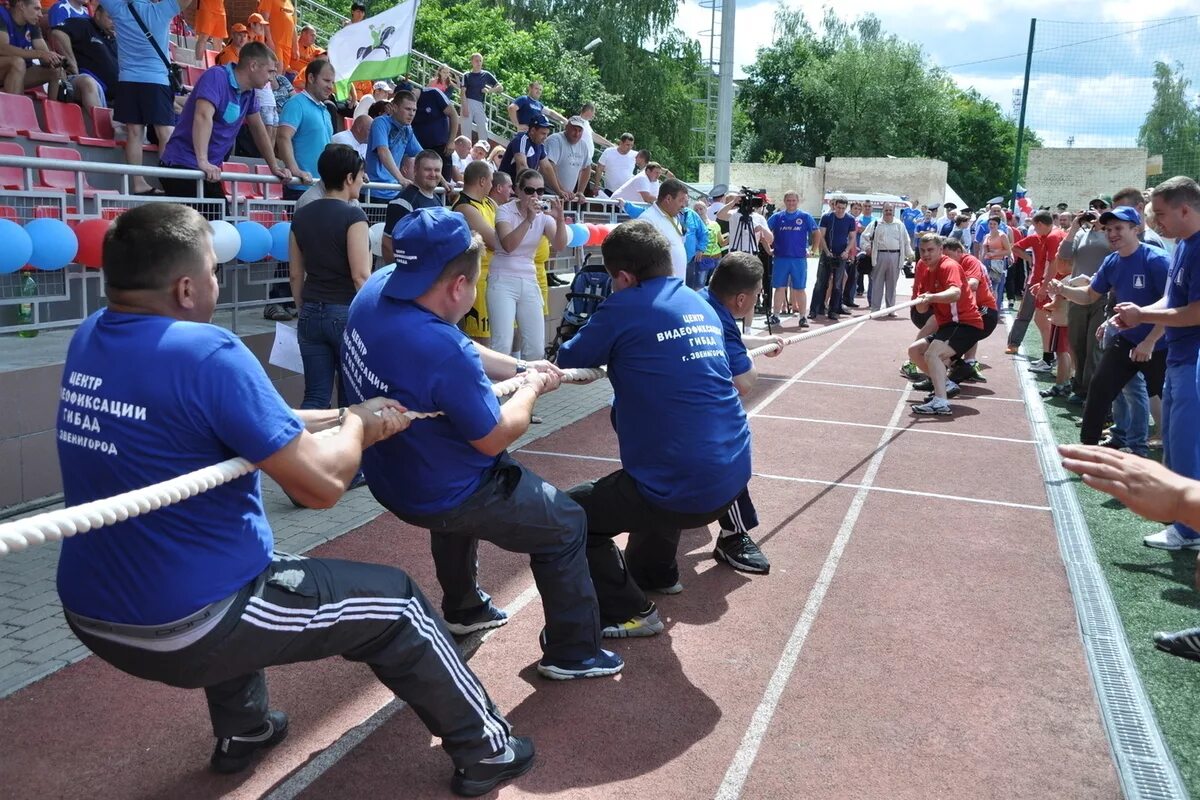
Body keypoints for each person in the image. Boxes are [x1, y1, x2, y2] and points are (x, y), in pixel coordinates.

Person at [55, 202, 533, 797]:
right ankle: (489, 749)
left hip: (89, 612)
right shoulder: (209, 352)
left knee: (255, 569)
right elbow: (321, 488)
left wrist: (344, 414)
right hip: (185, 623)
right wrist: (357, 428)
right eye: (211, 272)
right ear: (184, 288)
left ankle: (246, 730)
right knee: (400, 605)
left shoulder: (88, 338)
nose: (215, 282)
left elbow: (263, 419)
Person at [342, 207, 623, 680]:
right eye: (473, 287)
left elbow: (460, 348)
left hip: (394, 476)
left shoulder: (381, 286)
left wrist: (520, 369)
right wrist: (532, 389)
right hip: (444, 488)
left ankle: (465, 607)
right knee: (566, 522)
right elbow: (493, 437)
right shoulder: (438, 346)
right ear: (458, 287)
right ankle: (573, 652)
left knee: (451, 498)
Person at [555, 221, 752, 635]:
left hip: (683, 486)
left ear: (624, 277)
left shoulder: (625, 305)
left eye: (615, 280)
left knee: (567, 516)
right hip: (732, 477)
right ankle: (657, 574)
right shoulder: (699, 302)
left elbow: (569, 358)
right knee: (653, 475)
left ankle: (632, 612)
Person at [1111, 177, 1200, 550]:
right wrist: (1140, 314)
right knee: (1177, 444)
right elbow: (1170, 298)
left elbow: (1196, 310)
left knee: (1185, 444)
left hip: (1191, 359)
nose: (1156, 223)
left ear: (1185, 209)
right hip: (1180, 357)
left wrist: (1143, 316)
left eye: (1161, 214)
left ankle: (1189, 528)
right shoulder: (1183, 245)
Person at [1050, 206, 1168, 455]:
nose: (1112, 233)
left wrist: (1149, 341)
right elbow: (1090, 294)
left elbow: (1172, 303)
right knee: (1100, 386)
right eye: (1109, 229)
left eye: (1119, 228)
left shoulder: (1157, 260)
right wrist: (1063, 290)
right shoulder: (1112, 260)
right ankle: (1089, 448)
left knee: (1166, 400)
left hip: (1160, 342)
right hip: (1127, 338)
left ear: (1135, 229)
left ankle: (1162, 453)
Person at [701, 251, 786, 573]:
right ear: (740, 299)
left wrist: (756, 342)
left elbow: (728, 338)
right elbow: (745, 382)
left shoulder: (699, 300)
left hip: (639, 409)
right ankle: (734, 534)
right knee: (730, 446)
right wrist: (748, 358)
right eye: (757, 294)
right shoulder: (720, 318)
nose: (757, 299)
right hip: (683, 417)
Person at [287, 144, 370, 416]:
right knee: (351, 397)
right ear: (348, 178)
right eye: (359, 175)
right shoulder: (354, 215)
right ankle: (350, 457)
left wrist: (304, 309)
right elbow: (360, 275)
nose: (362, 180)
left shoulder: (300, 215)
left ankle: (299, 454)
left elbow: (296, 273)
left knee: (315, 397)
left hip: (311, 312)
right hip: (346, 313)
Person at [158, 43, 290, 200]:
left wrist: (274, 166)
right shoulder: (216, 76)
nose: (271, 78)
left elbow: (258, 128)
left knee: (222, 221)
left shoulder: (250, 92)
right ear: (253, 65)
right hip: (182, 166)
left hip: (207, 171)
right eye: (270, 71)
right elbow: (202, 116)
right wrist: (203, 161)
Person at [102, 0, 193, 195]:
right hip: (156, 81)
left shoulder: (118, 8)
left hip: (127, 81)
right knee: (165, 133)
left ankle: (138, 184)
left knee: (135, 133)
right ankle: (170, 183)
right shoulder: (162, 9)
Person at [490, 168, 568, 360]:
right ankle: (496, 389)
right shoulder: (504, 211)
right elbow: (509, 245)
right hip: (502, 278)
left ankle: (527, 387)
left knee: (535, 348)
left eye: (540, 191)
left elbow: (559, 244)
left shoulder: (542, 215)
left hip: (529, 279)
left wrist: (559, 220)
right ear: (518, 190)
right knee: (502, 344)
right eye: (529, 190)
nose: (535, 196)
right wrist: (528, 219)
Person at [907, 234, 985, 416]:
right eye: (922, 250)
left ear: (941, 250)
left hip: (965, 323)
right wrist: (922, 300)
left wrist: (932, 297)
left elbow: (955, 293)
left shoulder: (948, 266)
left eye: (930, 250)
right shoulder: (926, 271)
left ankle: (941, 402)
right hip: (948, 325)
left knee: (932, 354)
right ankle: (946, 384)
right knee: (914, 351)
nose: (926, 254)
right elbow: (920, 309)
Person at [1005, 210, 1066, 364]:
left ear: (1039, 224)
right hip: (1049, 282)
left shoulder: (1053, 237)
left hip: (1048, 284)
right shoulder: (1053, 235)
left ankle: (1049, 357)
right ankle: (1051, 356)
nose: (1034, 230)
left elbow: (1053, 263)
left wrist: (1044, 286)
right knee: (1044, 319)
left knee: (1043, 319)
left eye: (1035, 226)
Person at [453, 161, 500, 345]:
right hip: (476, 279)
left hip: (494, 276)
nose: (492, 185)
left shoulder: (489, 202)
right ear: (482, 181)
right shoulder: (465, 207)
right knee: (481, 340)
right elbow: (497, 241)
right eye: (490, 180)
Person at [275, 58, 334, 201]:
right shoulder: (296, 103)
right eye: (326, 81)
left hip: (322, 187)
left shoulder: (325, 110)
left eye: (332, 82)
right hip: (300, 188)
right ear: (311, 78)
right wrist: (295, 170)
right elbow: (283, 137)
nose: (330, 87)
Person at [380, 149, 444, 263]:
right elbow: (387, 244)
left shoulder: (437, 200)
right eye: (427, 169)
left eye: (437, 170)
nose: (433, 174)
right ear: (415, 170)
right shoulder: (402, 202)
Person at [621, 177, 690, 281]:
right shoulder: (648, 220)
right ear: (668, 199)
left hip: (675, 285)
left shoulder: (674, 217)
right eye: (681, 200)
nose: (683, 205)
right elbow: (642, 260)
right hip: (660, 288)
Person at [50, 4, 117, 110]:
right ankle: (99, 125)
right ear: (98, 15)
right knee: (88, 82)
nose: (115, 22)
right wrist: (72, 62)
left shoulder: (117, 40)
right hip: (84, 84)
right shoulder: (84, 24)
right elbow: (58, 33)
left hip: (117, 98)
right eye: (110, 18)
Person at [766, 190, 817, 327]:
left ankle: (802, 317)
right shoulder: (777, 217)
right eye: (788, 200)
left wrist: (813, 250)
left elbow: (816, 232)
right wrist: (767, 248)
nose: (791, 203)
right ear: (784, 201)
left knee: (799, 288)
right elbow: (764, 231)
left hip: (798, 259)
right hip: (781, 258)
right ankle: (775, 315)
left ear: (797, 201)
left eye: (793, 200)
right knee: (779, 288)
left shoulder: (805, 217)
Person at [364, 91, 420, 201]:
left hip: (394, 192)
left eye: (414, 110)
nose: (412, 114)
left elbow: (423, 156)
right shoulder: (380, 122)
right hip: (374, 191)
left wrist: (443, 181)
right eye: (408, 109)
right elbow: (383, 151)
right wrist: (401, 179)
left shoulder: (407, 129)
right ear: (394, 107)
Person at [861, 201, 913, 314]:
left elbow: (906, 241)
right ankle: (875, 309)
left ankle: (891, 309)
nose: (888, 212)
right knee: (877, 283)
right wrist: (867, 248)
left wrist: (910, 256)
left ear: (893, 211)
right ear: (882, 210)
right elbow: (864, 237)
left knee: (892, 284)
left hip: (895, 256)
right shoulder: (875, 223)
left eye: (890, 210)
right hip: (879, 255)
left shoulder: (899, 224)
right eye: (886, 210)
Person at [811, 196, 857, 320]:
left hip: (841, 255)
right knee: (821, 282)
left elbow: (852, 237)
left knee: (837, 284)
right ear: (834, 206)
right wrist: (826, 251)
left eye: (843, 208)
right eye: (838, 207)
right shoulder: (827, 217)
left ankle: (834, 310)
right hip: (827, 254)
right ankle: (815, 309)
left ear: (846, 208)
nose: (840, 210)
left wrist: (847, 251)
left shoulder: (850, 220)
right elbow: (821, 235)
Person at [413, 82, 460, 183]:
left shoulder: (433, 93)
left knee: (444, 184)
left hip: (442, 148)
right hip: (420, 151)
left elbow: (453, 115)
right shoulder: (405, 107)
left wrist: (451, 141)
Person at [540, 116, 591, 202]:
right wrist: (560, 190)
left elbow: (587, 168)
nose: (577, 133)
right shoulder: (555, 140)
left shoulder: (583, 145)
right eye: (574, 129)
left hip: (567, 196)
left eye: (580, 131)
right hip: (548, 193)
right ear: (566, 127)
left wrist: (580, 191)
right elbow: (549, 166)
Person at [497, 114, 551, 183]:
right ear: (532, 131)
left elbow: (547, 168)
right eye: (543, 133)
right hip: (504, 187)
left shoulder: (540, 145)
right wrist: (530, 188)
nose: (546, 137)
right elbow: (522, 166)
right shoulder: (521, 140)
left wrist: (559, 191)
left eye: (547, 134)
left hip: (518, 187)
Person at [460, 52, 500, 144]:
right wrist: (465, 107)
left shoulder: (486, 74)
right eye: (476, 61)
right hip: (467, 102)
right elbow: (462, 93)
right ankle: (465, 154)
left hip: (479, 103)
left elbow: (500, 87)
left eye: (480, 61)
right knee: (466, 131)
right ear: (472, 62)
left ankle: (483, 150)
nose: (478, 63)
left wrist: (489, 91)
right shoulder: (466, 75)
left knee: (483, 127)